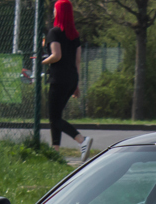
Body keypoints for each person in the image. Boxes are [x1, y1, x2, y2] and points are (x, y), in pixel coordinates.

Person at [41, 0, 91, 160]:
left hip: (58, 79)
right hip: (70, 79)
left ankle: (82, 140)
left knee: (54, 117)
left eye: (56, 10)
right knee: (56, 116)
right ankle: (55, 151)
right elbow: (77, 61)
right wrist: (76, 84)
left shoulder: (54, 32)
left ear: (59, 13)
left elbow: (56, 56)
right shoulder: (75, 36)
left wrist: (41, 61)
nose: (54, 13)